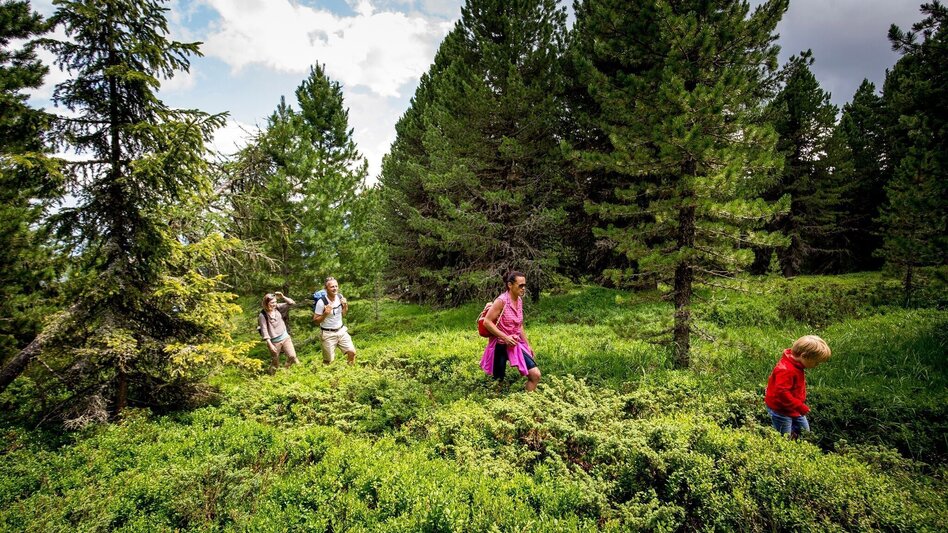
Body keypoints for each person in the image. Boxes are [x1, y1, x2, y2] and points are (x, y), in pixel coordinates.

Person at [479, 271, 541, 392]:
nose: (523, 288)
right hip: (500, 346)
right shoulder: (501, 301)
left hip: (515, 345)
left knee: (535, 375)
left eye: (524, 285)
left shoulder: (519, 300)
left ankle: (528, 406)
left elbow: (519, 325)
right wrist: (505, 337)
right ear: (510, 285)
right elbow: (487, 322)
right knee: (498, 382)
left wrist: (527, 345)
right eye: (520, 285)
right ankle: (497, 407)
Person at [764, 335, 832, 439]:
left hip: (794, 407)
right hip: (781, 409)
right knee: (785, 437)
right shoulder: (786, 370)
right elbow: (782, 393)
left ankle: (798, 442)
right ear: (804, 356)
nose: (817, 365)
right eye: (816, 362)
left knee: (805, 433)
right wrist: (799, 406)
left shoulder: (796, 365)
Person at [312, 276, 356, 365]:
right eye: (332, 286)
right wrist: (325, 313)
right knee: (328, 361)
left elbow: (343, 314)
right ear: (326, 288)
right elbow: (315, 321)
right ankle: (325, 375)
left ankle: (351, 371)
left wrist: (345, 306)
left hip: (341, 331)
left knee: (352, 352)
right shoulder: (321, 302)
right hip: (328, 334)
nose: (335, 288)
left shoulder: (340, 297)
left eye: (336, 286)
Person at [258, 291, 299, 371]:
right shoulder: (262, 315)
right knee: (275, 363)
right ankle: (271, 377)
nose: (274, 304)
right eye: (272, 302)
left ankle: (286, 368)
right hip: (274, 342)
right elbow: (264, 330)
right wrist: (270, 344)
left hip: (285, 337)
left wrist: (283, 297)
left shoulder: (277, 307)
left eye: (275, 302)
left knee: (292, 356)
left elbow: (292, 303)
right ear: (266, 303)